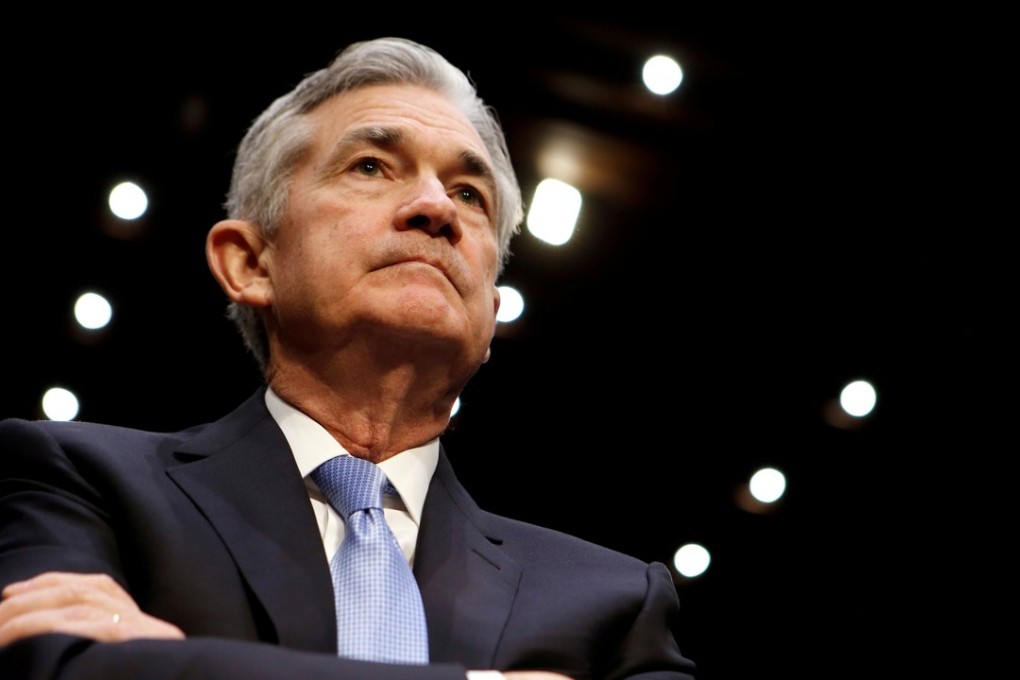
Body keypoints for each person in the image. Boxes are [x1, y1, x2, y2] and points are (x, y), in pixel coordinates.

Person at [0, 37, 696, 680]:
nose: (435, 208)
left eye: (468, 194)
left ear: (490, 308)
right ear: (250, 262)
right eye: (371, 166)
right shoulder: (81, 483)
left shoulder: (614, 604)